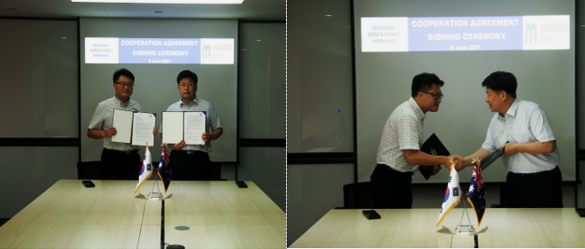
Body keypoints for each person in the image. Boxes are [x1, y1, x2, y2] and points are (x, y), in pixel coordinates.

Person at [457, 71, 562, 208]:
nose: (486, 99)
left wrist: (517, 147)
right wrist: (465, 162)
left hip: (542, 181)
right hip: (514, 181)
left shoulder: (532, 111)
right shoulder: (496, 120)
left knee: (545, 226)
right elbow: (488, 148)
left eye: (488, 94)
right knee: (515, 226)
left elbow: (548, 145)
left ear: (502, 95)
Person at [370, 72, 464, 209]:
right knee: (391, 228)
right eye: (436, 96)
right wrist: (444, 160)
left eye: (440, 96)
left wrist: (427, 165)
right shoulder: (408, 116)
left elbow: (410, 154)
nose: (439, 100)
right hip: (390, 182)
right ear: (421, 94)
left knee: (399, 225)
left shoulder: (414, 113)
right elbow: (411, 156)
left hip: (397, 180)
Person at [88, 68, 158, 180]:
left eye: (130, 84)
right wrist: (105, 133)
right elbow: (90, 132)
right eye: (122, 84)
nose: (126, 87)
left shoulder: (137, 106)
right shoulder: (103, 106)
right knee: (110, 193)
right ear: (114, 85)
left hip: (132, 158)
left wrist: (149, 132)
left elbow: (140, 132)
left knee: (130, 194)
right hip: (112, 158)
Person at [165, 70, 223, 180]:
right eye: (183, 84)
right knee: (177, 193)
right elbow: (164, 135)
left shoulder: (207, 106)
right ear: (178, 88)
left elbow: (219, 129)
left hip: (200, 158)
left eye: (190, 84)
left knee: (202, 193)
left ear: (196, 87)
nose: (186, 88)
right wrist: (172, 146)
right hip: (177, 158)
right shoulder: (172, 109)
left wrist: (210, 136)